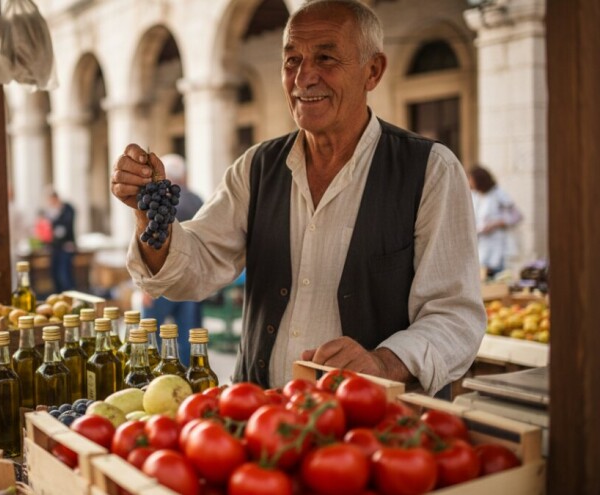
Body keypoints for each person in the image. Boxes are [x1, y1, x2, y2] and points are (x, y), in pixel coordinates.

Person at [111, 0, 485, 395]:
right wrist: (149, 219)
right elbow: (193, 269)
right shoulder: (256, 167)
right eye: (292, 61)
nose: (304, 78)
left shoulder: (430, 170)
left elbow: (455, 316)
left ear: (372, 71)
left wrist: (383, 362)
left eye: (326, 58)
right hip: (261, 422)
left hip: (376, 433)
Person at [141, 154, 204, 363]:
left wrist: (145, 283)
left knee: (151, 334)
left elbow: (147, 240)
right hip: (189, 278)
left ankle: (151, 376)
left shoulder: (156, 200)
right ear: (184, 176)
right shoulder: (197, 200)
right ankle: (186, 379)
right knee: (187, 336)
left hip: (161, 277)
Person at [468, 165, 521, 278]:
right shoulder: (475, 196)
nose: (470, 182)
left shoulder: (498, 194)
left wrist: (495, 224)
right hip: (481, 246)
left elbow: (516, 216)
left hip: (497, 246)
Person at [46, 190, 76, 293]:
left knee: (64, 275)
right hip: (55, 248)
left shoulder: (67, 209)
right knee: (55, 275)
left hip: (66, 247)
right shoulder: (51, 212)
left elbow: (65, 228)